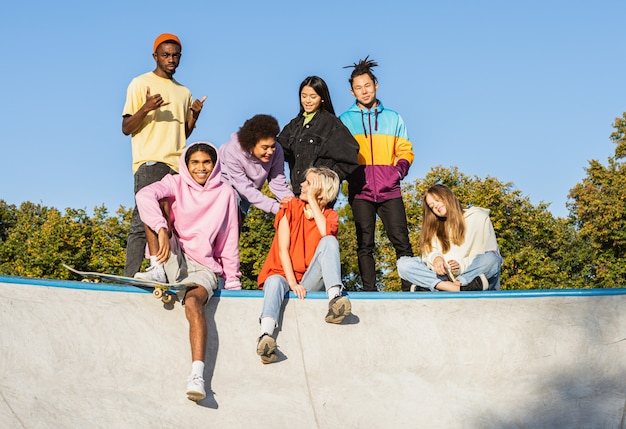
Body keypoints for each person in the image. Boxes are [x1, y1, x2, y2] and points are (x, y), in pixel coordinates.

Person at [134, 142, 241, 401]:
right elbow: (143, 196)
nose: (200, 168)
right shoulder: (175, 182)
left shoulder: (226, 193)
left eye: (206, 162)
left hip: (203, 266)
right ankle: (157, 269)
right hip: (172, 255)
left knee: (193, 303)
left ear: (215, 165)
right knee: (155, 207)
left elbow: (229, 238)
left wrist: (233, 281)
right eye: (195, 162)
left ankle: (197, 375)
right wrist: (161, 227)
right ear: (186, 164)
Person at [122, 33, 207, 277]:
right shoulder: (140, 83)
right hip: (151, 162)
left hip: (178, 166)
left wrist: (194, 116)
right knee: (143, 220)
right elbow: (126, 127)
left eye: (175, 55)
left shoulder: (184, 92)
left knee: (172, 223)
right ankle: (131, 276)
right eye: (166, 55)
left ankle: (167, 272)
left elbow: (182, 134)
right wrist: (146, 108)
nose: (171, 59)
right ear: (155, 56)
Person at [255, 167, 351, 364]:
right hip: (284, 275)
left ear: (320, 189)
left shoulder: (330, 216)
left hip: (308, 279)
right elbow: (283, 249)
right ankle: (265, 336)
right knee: (273, 281)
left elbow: (325, 233)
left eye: (308, 182)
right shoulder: (289, 207)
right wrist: (291, 283)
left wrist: (314, 201)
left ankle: (335, 299)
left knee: (330, 241)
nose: (301, 184)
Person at [339, 56, 414, 291]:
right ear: (351, 92)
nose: (364, 91)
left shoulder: (393, 118)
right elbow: (339, 155)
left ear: (376, 85)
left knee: (401, 242)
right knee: (365, 244)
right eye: (358, 88)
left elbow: (405, 150)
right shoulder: (344, 121)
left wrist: (397, 173)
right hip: (360, 191)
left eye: (368, 86)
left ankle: (410, 288)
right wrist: (351, 176)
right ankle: (370, 293)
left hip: (389, 190)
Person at [397, 184, 503, 292]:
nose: (436, 207)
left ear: (448, 197)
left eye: (438, 200)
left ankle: (450, 287)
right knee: (403, 264)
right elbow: (428, 255)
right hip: (444, 278)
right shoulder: (434, 227)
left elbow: (492, 254)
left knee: (492, 259)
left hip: (471, 277)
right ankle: (453, 289)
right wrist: (436, 258)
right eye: (432, 206)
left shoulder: (478, 218)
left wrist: (460, 266)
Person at [277, 76, 359, 196]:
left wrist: (327, 181)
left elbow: (350, 157)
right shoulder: (294, 125)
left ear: (322, 98)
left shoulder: (331, 123)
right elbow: (279, 149)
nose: (307, 101)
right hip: (298, 192)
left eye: (313, 96)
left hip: (320, 195)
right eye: (304, 96)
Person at [219, 114, 294, 224]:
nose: (270, 152)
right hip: (224, 192)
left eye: (272, 146)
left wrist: (294, 205)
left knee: (235, 231)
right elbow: (243, 187)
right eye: (265, 148)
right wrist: (275, 207)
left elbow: (278, 183)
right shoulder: (231, 150)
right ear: (251, 144)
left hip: (248, 195)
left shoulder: (277, 151)